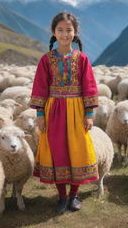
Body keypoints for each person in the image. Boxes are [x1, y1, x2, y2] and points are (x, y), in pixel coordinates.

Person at [30, 12, 99, 214]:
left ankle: (74, 195)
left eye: (68, 30)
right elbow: (40, 88)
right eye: (60, 30)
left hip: (77, 111)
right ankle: (62, 196)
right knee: (56, 150)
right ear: (53, 32)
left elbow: (89, 87)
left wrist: (89, 114)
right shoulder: (46, 60)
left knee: (77, 150)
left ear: (75, 32)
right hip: (54, 111)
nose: (64, 34)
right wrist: (40, 116)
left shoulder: (82, 59)